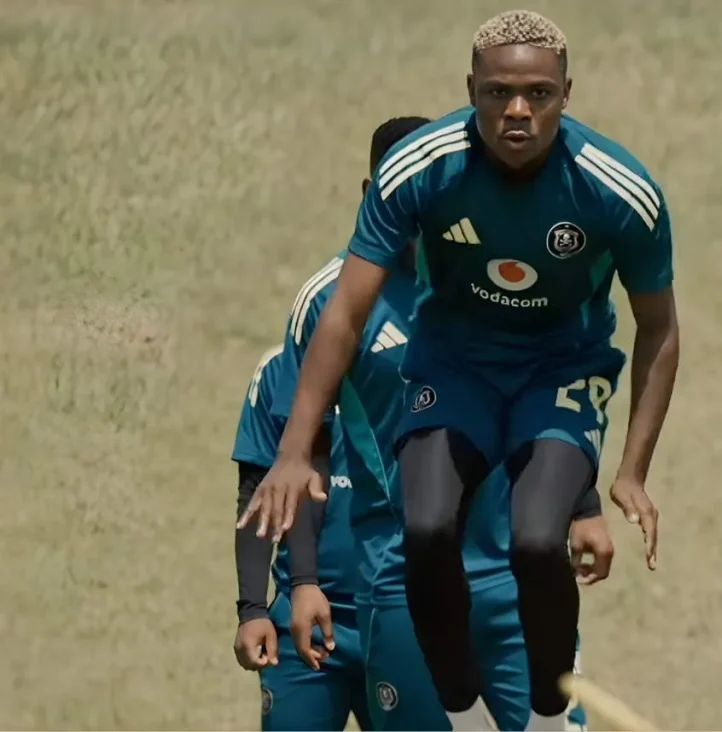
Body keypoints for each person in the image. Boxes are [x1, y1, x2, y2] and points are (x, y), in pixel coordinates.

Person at [240, 10, 679, 730]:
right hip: (455, 366)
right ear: (470, 89)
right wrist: (292, 451)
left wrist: (630, 472)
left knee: (535, 539)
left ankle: (545, 714)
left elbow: (659, 328)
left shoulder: (618, 188)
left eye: (538, 94)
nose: (518, 110)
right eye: (498, 92)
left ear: (567, 94)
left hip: (558, 369)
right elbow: (343, 314)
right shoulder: (422, 167)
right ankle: (464, 714)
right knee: (426, 529)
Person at [274, 115, 609, 731]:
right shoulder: (328, 302)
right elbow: (304, 451)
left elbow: (552, 386)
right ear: (371, 194)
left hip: (514, 585)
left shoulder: (505, 267)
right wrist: (303, 579)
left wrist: (584, 505)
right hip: (404, 585)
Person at [230, 346, 370, 730]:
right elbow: (257, 489)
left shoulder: (415, 354)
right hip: (299, 627)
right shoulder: (279, 368)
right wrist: (252, 609)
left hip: (398, 619)